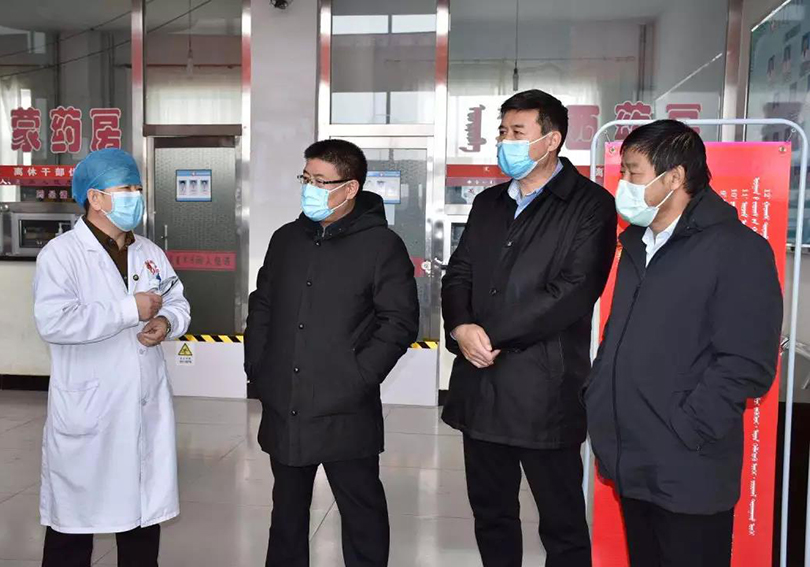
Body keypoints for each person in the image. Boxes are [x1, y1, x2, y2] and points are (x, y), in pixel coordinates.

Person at [584, 120, 782, 567]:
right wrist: (599, 395)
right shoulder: (638, 245)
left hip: (688, 465)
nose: (623, 183)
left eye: (632, 172)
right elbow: (620, 337)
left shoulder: (737, 249)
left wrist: (687, 428)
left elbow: (747, 362)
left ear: (673, 177)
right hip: (631, 456)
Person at [441, 89, 617, 567]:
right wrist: (460, 326)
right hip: (480, 385)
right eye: (502, 132)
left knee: (561, 521)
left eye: (518, 132)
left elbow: (574, 290)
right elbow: (459, 272)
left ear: (551, 140)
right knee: (491, 513)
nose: (505, 141)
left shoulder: (589, 205)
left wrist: (489, 335)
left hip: (544, 390)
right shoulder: (489, 203)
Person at [245, 139, 419, 567]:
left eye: (321, 181)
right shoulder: (287, 239)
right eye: (306, 178)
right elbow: (262, 304)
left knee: (361, 513)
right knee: (286, 513)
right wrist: (259, 367)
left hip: (346, 408)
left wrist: (358, 378)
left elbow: (398, 323)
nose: (309, 188)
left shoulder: (381, 246)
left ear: (350, 187)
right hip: (286, 401)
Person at [33, 148, 191, 567]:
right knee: (73, 525)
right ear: (95, 197)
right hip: (90, 408)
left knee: (141, 522)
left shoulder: (149, 252)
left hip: (142, 403)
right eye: (126, 189)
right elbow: (54, 322)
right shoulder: (61, 255)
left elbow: (177, 300)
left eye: (137, 188)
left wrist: (167, 322)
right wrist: (128, 310)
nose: (135, 197)